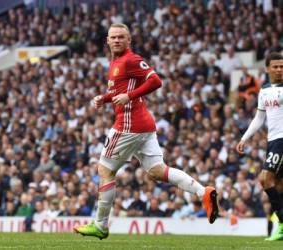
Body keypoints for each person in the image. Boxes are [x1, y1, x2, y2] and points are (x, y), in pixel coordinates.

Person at [74, 23, 218, 240]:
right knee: (157, 171)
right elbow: (118, 90)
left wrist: (129, 97)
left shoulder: (131, 59)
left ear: (129, 40)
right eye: (113, 37)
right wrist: (104, 98)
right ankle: (202, 192)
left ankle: (100, 225)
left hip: (129, 124)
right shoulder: (115, 62)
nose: (117, 41)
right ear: (107, 40)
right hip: (143, 125)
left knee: (105, 170)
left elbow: (156, 81)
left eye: (121, 37)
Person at [236, 52, 283, 241]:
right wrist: (244, 138)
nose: (279, 69)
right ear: (267, 68)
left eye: (282, 66)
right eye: (276, 66)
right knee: (278, 186)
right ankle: (280, 228)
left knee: (265, 179)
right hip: (273, 141)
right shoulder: (264, 90)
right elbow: (259, 118)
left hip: (282, 139)